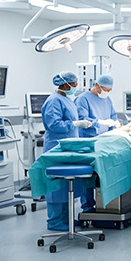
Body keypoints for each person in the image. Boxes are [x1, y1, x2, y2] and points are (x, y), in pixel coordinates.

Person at [42, 70, 92, 231]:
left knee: (65, 186)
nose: (76, 86)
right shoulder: (53, 101)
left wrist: (80, 123)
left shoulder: (66, 99)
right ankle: (55, 221)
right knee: (56, 185)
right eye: (74, 83)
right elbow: (54, 125)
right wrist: (75, 124)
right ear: (64, 84)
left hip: (67, 147)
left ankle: (66, 219)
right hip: (56, 148)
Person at [74, 74, 118, 213]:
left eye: (109, 90)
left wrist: (115, 125)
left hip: (104, 141)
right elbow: (83, 119)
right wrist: (100, 122)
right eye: (105, 89)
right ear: (97, 85)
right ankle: (87, 207)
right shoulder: (83, 99)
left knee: (102, 174)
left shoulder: (107, 99)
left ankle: (103, 204)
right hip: (88, 141)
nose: (107, 92)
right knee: (88, 176)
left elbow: (113, 116)